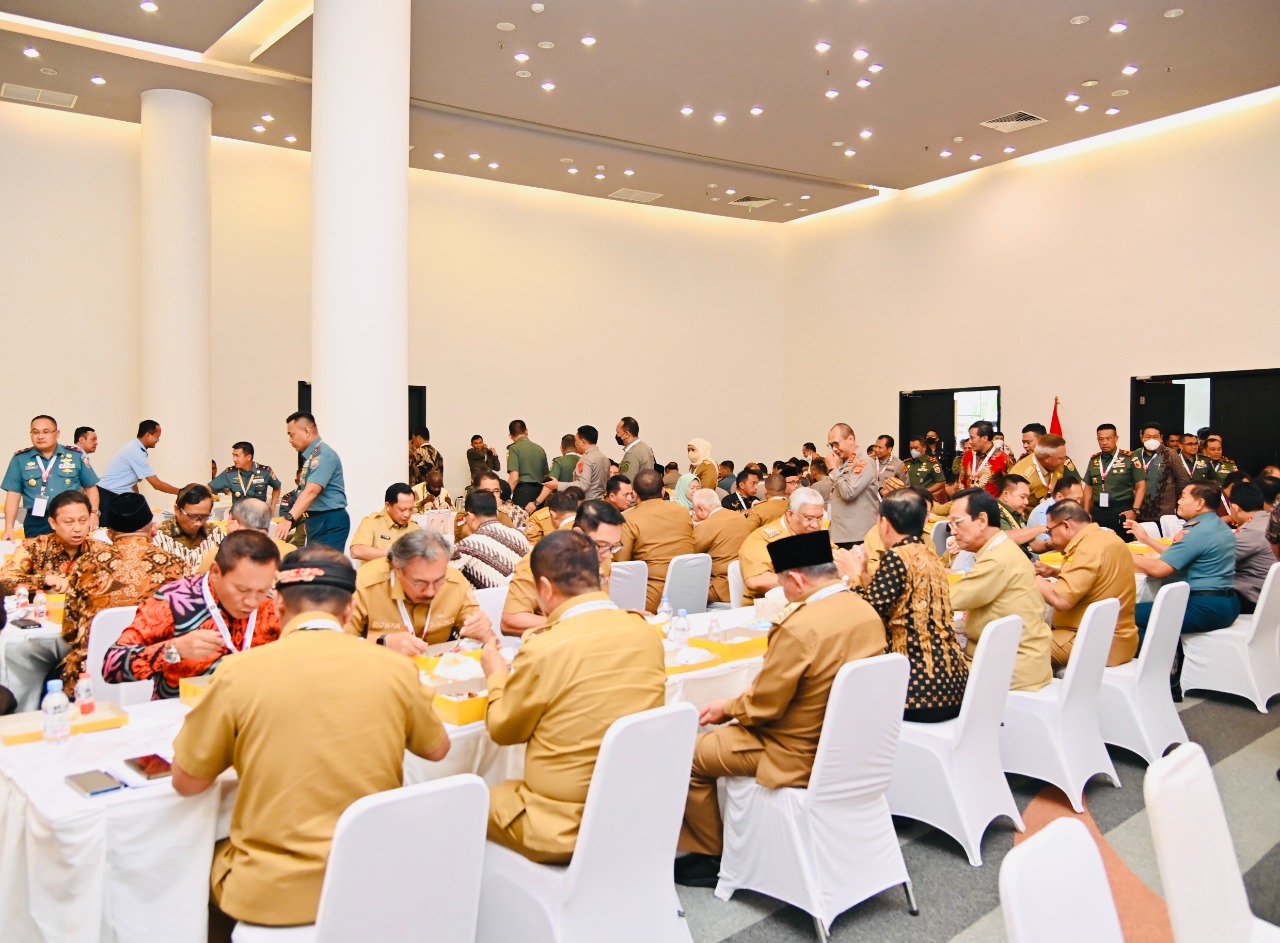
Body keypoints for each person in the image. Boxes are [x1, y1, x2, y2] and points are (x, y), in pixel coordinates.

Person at [171, 545, 449, 930]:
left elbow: (187, 783)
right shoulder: (396, 669)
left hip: (274, 894)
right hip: (369, 878)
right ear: (350, 609)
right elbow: (437, 749)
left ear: (278, 606)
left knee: (192, 859)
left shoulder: (238, 673)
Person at [675, 530, 886, 885]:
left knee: (689, 753)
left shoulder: (799, 626)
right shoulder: (865, 610)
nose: (782, 591)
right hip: (855, 746)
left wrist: (728, 707)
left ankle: (708, 855)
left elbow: (764, 708)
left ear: (798, 580)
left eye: (782, 582)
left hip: (794, 750)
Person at [480, 530, 665, 863]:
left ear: (545, 588)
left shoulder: (545, 647)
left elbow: (503, 731)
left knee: (457, 799)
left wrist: (496, 675)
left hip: (560, 825)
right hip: (631, 810)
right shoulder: (644, 632)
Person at [102, 530, 282, 699]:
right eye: (242, 589)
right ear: (215, 572)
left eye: (262, 590)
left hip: (252, 709)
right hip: (182, 712)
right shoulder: (174, 600)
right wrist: (174, 649)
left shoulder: (274, 603)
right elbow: (112, 666)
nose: (251, 601)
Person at [840, 488, 968, 721]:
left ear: (884, 524)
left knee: (845, 698)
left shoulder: (896, 557)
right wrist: (864, 573)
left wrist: (852, 576)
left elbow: (868, 615)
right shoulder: (929, 555)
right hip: (954, 684)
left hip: (918, 691)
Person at [1126, 482, 1239, 697]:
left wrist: (1121, 554)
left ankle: (1164, 676)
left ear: (1199, 503)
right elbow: (1180, 554)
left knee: (1126, 615)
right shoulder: (1216, 525)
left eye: (1184, 496)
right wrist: (1147, 540)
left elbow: (1160, 569)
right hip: (1227, 603)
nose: (1179, 500)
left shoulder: (1197, 531)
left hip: (1203, 607)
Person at [947, 488, 1052, 691]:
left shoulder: (997, 559)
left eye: (957, 523)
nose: (952, 531)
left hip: (1009, 667)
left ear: (982, 520)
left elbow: (947, 599)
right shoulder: (1004, 549)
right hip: (1020, 660)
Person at [346, 529, 492, 652]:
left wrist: (482, 632)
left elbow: (484, 638)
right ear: (397, 569)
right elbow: (337, 643)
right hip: (380, 668)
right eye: (419, 582)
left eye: (438, 581)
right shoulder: (363, 584)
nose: (430, 592)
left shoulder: (455, 582)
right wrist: (382, 643)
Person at [1035, 499, 1138, 671]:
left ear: (1066, 526)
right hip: (1121, 639)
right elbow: (1097, 578)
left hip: (1092, 641)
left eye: (1050, 531)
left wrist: (1030, 575)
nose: (1050, 539)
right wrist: (1054, 572)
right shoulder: (1108, 539)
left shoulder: (1087, 548)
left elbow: (1060, 599)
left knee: (1016, 649)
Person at [501, 499, 622, 636]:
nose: (608, 554)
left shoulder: (602, 556)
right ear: (578, 534)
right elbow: (511, 620)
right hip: (552, 641)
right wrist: (576, 623)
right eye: (601, 545)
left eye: (613, 546)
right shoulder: (540, 559)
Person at [3, 414, 99, 540]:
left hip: (71, 519)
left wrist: (94, 513)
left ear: (57, 434)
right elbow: (13, 495)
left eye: (46, 432)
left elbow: (91, 487)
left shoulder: (75, 456)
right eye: (35, 432)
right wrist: (9, 527)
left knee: (73, 552)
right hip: (37, 520)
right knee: (38, 552)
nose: (40, 436)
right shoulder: (20, 459)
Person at [614, 468, 695, 611]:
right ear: (663, 491)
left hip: (651, 601)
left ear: (635, 495)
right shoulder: (683, 512)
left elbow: (622, 566)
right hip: (688, 593)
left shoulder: (628, 519)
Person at [273, 412, 349, 551]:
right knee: (314, 562)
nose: (290, 440)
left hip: (328, 520)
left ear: (306, 431)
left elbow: (311, 491)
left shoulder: (323, 455)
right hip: (316, 520)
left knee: (324, 563)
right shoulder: (313, 456)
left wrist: (289, 518)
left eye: (291, 435)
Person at [739, 487, 826, 599]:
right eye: (809, 518)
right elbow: (756, 580)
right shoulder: (763, 539)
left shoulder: (813, 534)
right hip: (772, 605)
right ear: (790, 515)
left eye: (819, 518)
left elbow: (838, 561)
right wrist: (810, 581)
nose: (815, 525)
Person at [95, 420, 181, 519]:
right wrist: (181, 492)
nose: (158, 440)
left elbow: (133, 482)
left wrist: (139, 502)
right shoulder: (135, 452)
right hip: (109, 496)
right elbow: (156, 484)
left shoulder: (135, 448)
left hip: (114, 495)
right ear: (147, 435)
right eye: (157, 436)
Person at [452, 489, 532, 589]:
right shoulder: (521, 536)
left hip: (483, 598)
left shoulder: (466, 545)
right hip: (519, 595)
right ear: (497, 513)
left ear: (470, 516)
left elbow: (447, 579)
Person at [195, 499, 294, 575]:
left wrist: (232, 537)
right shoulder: (290, 552)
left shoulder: (219, 555)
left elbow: (199, 585)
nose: (226, 524)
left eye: (229, 520)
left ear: (236, 524)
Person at [692, 488, 756, 604]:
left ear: (701, 509)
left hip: (721, 588)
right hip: (745, 582)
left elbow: (688, 551)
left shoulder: (707, 525)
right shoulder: (740, 517)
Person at [1084, 424, 1146, 539]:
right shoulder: (1094, 460)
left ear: (1116, 438)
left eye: (1108, 438)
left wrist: (1135, 511)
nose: (1104, 442)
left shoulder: (1129, 458)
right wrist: (1085, 513)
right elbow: (1088, 487)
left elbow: (1141, 485)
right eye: (1101, 439)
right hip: (1098, 511)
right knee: (1098, 544)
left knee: (1123, 545)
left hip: (1121, 510)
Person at [826, 423, 880, 548]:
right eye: (831, 445)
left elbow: (849, 493)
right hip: (841, 533)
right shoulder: (841, 463)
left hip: (857, 536)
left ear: (850, 439)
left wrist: (833, 470)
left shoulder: (863, 462)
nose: (834, 449)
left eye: (836, 444)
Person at [1224, 481, 1272, 614]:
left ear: (1235, 507)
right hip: (1269, 596)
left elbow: (1217, 559)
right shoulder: (1269, 520)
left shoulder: (1252, 531)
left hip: (1251, 598)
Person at [536, 425, 611, 502]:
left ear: (583, 442)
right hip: (601, 502)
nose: (575, 443)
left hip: (588, 503)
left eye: (575, 440)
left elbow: (583, 485)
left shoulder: (586, 459)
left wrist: (558, 485)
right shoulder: (605, 458)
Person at [349, 482, 420, 562]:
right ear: (388, 506)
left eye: (411, 509)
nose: (407, 514)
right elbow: (356, 551)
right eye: (402, 510)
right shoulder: (372, 522)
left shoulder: (415, 528)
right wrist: (395, 555)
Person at [208, 442, 282, 509]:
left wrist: (272, 508)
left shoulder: (265, 472)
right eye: (233, 455)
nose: (234, 459)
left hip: (259, 515)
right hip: (238, 516)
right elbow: (209, 488)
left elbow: (277, 487)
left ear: (248, 457)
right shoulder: (230, 473)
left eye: (237, 456)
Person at [1133, 422, 1179, 522]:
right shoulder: (1135, 455)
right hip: (1140, 512)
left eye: (1155, 437)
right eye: (1148, 437)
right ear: (1141, 437)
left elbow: (1182, 481)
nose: (1151, 440)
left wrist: (1177, 505)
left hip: (1165, 513)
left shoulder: (1171, 455)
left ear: (1161, 438)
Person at [156, 483, 219, 552]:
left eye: (204, 516)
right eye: (192, 516)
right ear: (177, 510)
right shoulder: (159, 536)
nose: (198, 524)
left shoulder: (214, 533)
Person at [995, 473, 1047, 557]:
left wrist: (1051, 544)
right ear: (1006, 495)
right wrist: (1043, 528)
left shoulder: (1015, 512)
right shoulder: (994, 511)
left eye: (1027, 498)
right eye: (1022, 497)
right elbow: (1007, 538)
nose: (1027, 502)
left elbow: (1031, 544)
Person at [505, 419, 550, 511]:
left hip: (523, 492)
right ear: (526, 431)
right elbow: (546, 476)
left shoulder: (513, 448)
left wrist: (505, 496)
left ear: (510, 436)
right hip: (540, 493)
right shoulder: (540, 449)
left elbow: (514, 478)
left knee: (521, 519)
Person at [959, 421, 1008, 497]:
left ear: (984, 438)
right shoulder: (968, 455)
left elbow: (1009, 489)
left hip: (991, 503)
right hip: (968, 501)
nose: (970, 441)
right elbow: (962, 482)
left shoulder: (1003, 458)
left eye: (972, 438)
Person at [900, 435, 947, 500]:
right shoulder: (906, 463)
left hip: (925, 498)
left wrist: (925, 492)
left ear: (924, 448)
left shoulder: (932, 463)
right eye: (911, 448)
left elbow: (941, 482)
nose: (913, 450)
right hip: (907, 497)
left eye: (916, 448)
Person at [615, 417, 656, 483]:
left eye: (618, 432)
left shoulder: (632, 453)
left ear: (626, 434)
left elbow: (627, 483)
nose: (617, 435)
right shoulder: (646, 447)